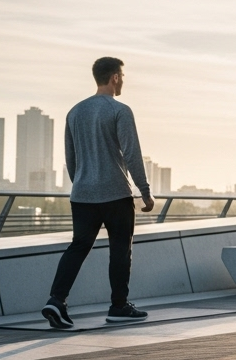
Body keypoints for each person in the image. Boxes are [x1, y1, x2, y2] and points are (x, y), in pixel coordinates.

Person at [41, 57, 155, 329]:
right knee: (119, 249)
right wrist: (145, 192)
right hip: (116, 194)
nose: (123, 80)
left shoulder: (75, 112)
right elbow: (131, 154)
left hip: (82, 195)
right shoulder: (120, 110)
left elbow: (71, 158)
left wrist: (83, 182)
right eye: (123, 75)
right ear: (115, 77)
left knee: (78, 246)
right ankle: (119, 306)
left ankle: (56, 300)